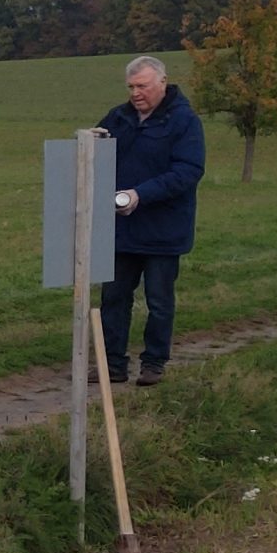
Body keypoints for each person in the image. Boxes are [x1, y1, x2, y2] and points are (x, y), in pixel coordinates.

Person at [96, 54, 206, 387]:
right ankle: (112, 364)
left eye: (142, 85)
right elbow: (95, 151)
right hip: (121, 230)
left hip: (164, 231)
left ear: (161, 82)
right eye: (131, 86)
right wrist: (88, 139)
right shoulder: (119, 117)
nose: (135, 93)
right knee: (113, 298)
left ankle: (153, 362)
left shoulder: (184, 121)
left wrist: (140, 195)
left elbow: (188, 171)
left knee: (158, 300)